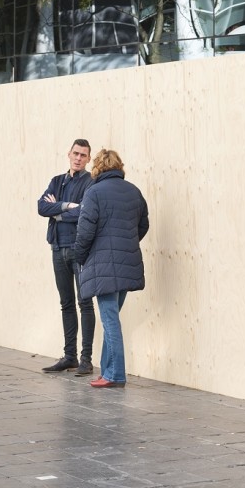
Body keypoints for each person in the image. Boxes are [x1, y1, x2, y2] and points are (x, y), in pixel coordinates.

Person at [75, 149, 148, 388]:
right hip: (127, 263)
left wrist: (81, 257)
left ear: (97, 167)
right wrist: (127, 243)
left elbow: (85, 231)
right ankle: (107, 370)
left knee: (110, 321)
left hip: (103, 266)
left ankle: (115, 374)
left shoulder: (93, 192)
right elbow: (143, 224)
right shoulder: (133, 191)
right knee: (112, 318)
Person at [37, 139, 95, 376]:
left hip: (78, 249)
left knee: (84, 302)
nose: (78, 158)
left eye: (83, 155)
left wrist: (58, 211)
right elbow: (41, 207)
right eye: (75, 153)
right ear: (68, 154)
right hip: (57, 248)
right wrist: (67, 206)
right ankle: (69, 356)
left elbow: (85, 212)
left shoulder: (90, 183)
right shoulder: (57, 181)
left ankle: (86, 359)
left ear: (88, 159)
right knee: (66, 303)